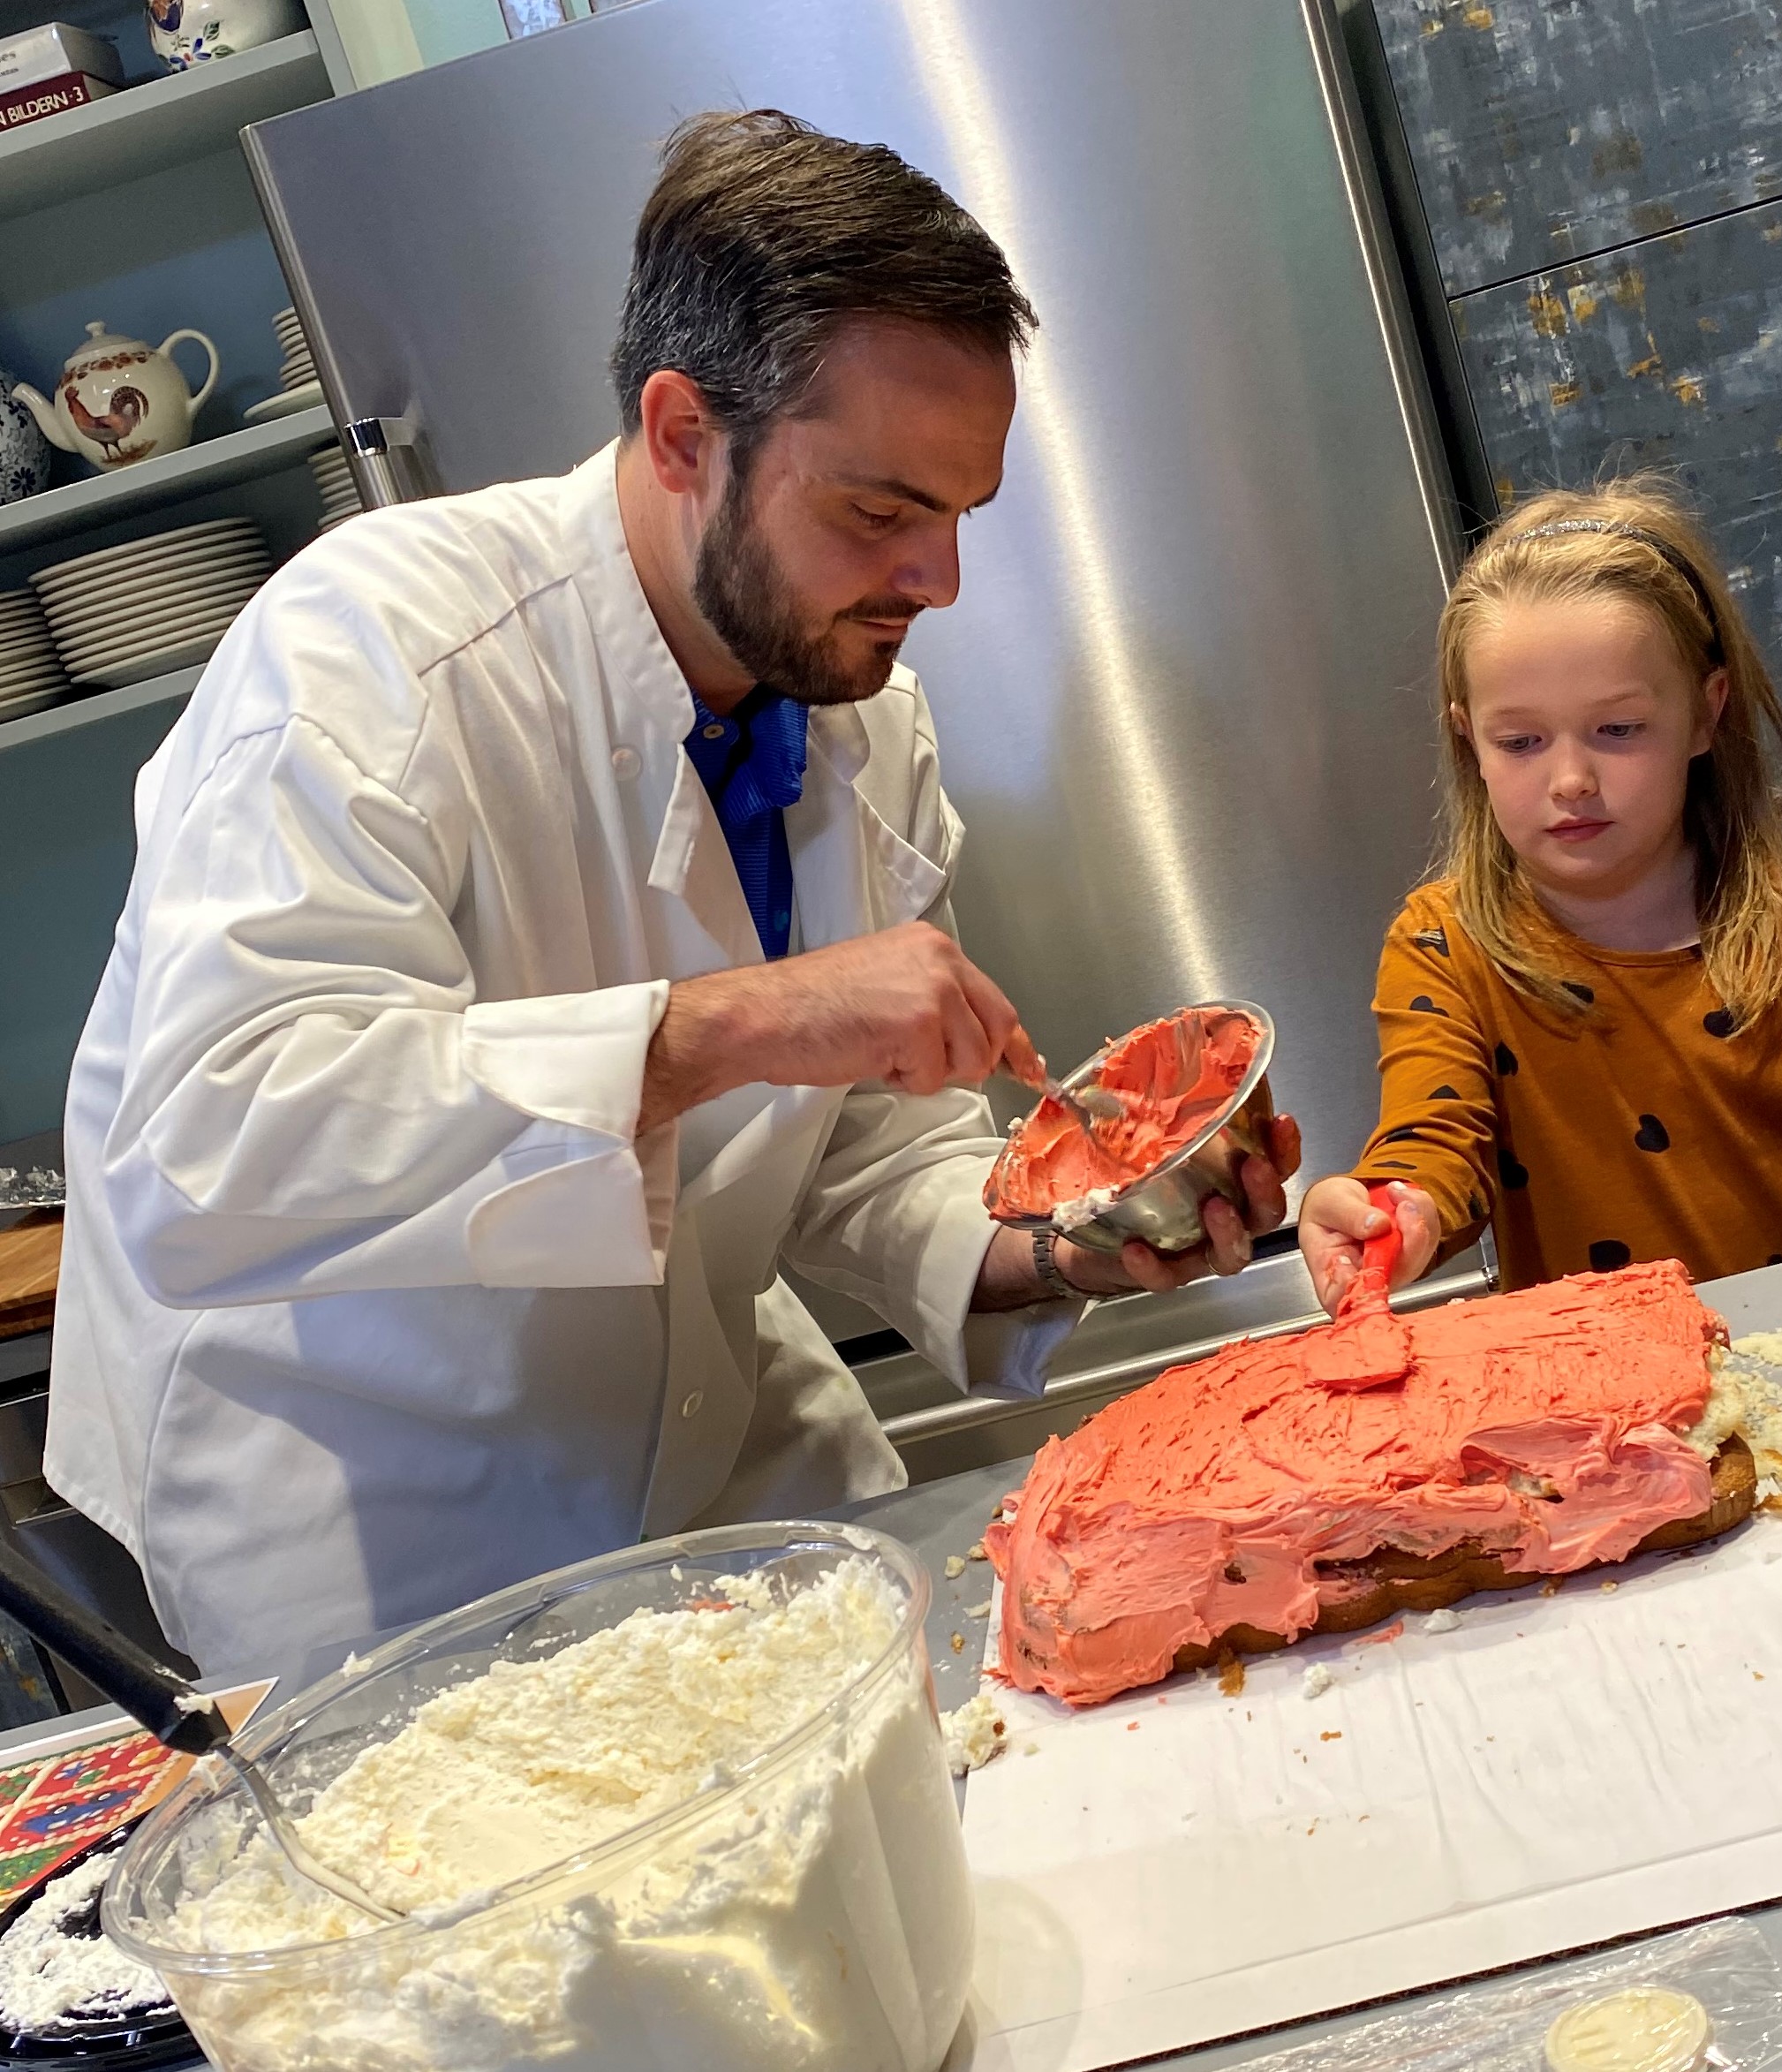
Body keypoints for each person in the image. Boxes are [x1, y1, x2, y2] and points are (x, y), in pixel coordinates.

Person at [45, 110, 1296, 1670]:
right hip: (386, 1525)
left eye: (961, 513)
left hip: (718, 1436)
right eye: (879, 510)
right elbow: (216, 1138)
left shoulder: (855, 707)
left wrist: (1065, 1246)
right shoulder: (372, 653)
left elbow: (863, 1154)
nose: (939, 583)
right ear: (683, 431)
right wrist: (738, 1021)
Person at [1298, 478, 1782, 1312]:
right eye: (1521, 740)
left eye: (1619, 729)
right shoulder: (1444, 941)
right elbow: (1431, 1146)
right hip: (1594, 1410)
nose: (1571, 779)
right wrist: (1392, 1211)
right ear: (1470, 743)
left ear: (1706, 714)